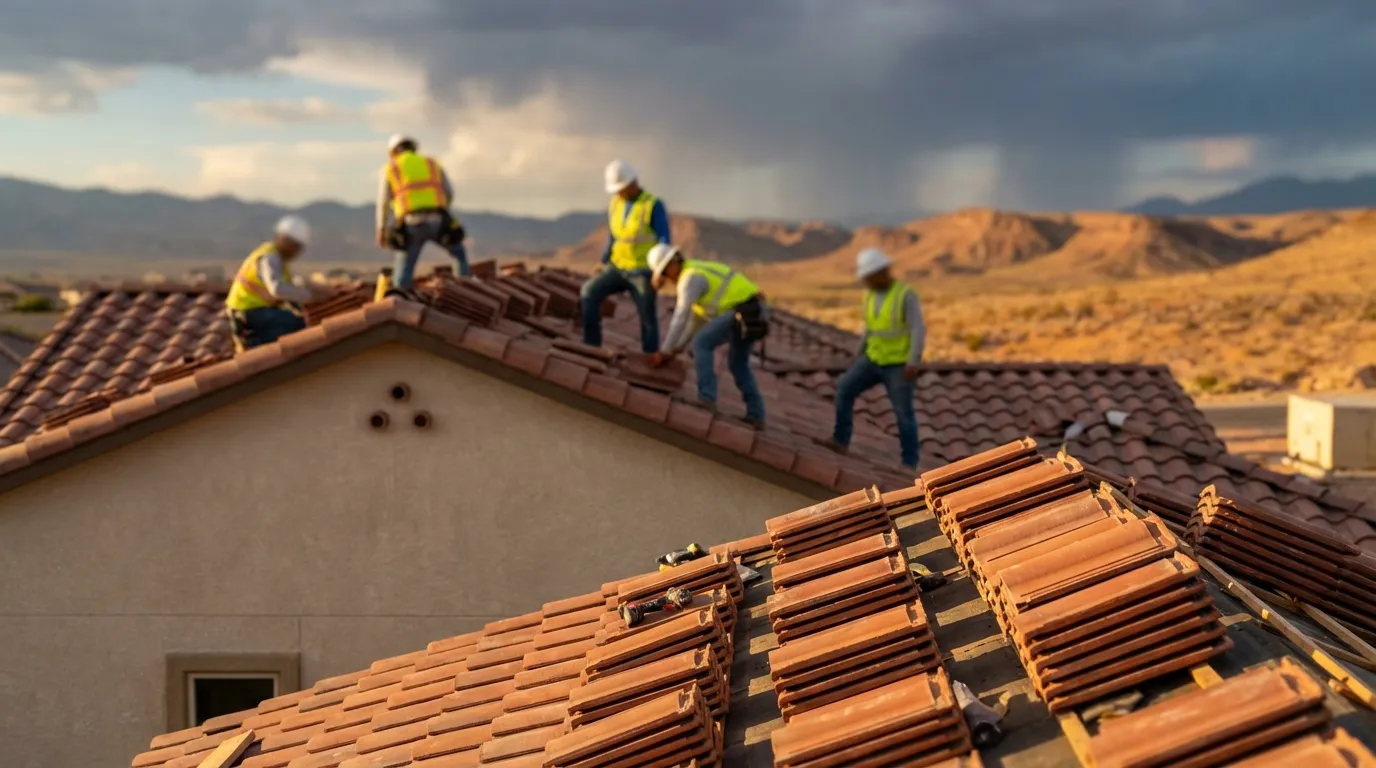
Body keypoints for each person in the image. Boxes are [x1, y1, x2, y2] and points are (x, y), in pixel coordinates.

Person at [825, 248, 926, 472]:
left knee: (903, 413)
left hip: (898, 365)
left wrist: (913, 361)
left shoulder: (904, 294)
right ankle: (840, 440)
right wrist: (858, 353)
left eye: (870, 277)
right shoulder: (870, 295)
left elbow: (918, 328)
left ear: (882, 272)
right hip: (873, 359)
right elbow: (869, 329)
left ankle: (909, 463)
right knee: (844, 388)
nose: (867, 281)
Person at [646, 244, 768, 428]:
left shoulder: (689, 279)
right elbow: (696, 321)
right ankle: (756, 414)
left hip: (744, 310)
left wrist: (664, 351)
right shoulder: (694, 271)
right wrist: (677, 347)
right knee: (737, 364)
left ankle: (707, 398)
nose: (666, 279)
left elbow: (681, 316)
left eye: (664, 273)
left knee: (702, 343)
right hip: (754, 311)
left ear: (672, 264)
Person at [581, 160, 670, 353]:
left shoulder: (652, 205)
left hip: (642, 271)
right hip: (617, 267)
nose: (617, 193)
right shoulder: (616, 204)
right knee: (589, 292)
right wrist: (603, 261)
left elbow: (664, 238)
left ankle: (650, 355)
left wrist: (660, 271)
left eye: (620, 189)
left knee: (647, 316)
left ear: (632, 183)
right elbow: (614, 235)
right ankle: (591, 346)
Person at [375, 134, 469, 288]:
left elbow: (383, 203)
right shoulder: (432, 164)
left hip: (412, 223)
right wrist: (442, 211)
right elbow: (449, 192)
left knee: (404, 267)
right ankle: (465, 285)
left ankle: (401, 300)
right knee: (459, 254)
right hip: (438, 220)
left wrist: (381, 229)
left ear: (394, 151)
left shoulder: (391, 168)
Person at [225, 215, 316, 350]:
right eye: (296, 247)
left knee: (295, 320)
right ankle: (256, 348)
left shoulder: (279, 261)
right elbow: (277, 289)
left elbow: (286, 294)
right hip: (246, 312)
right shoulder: (270, 257)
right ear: (285, 240)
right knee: (294, 323)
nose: (297, 253)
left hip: (254, 310)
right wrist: (308, 296)